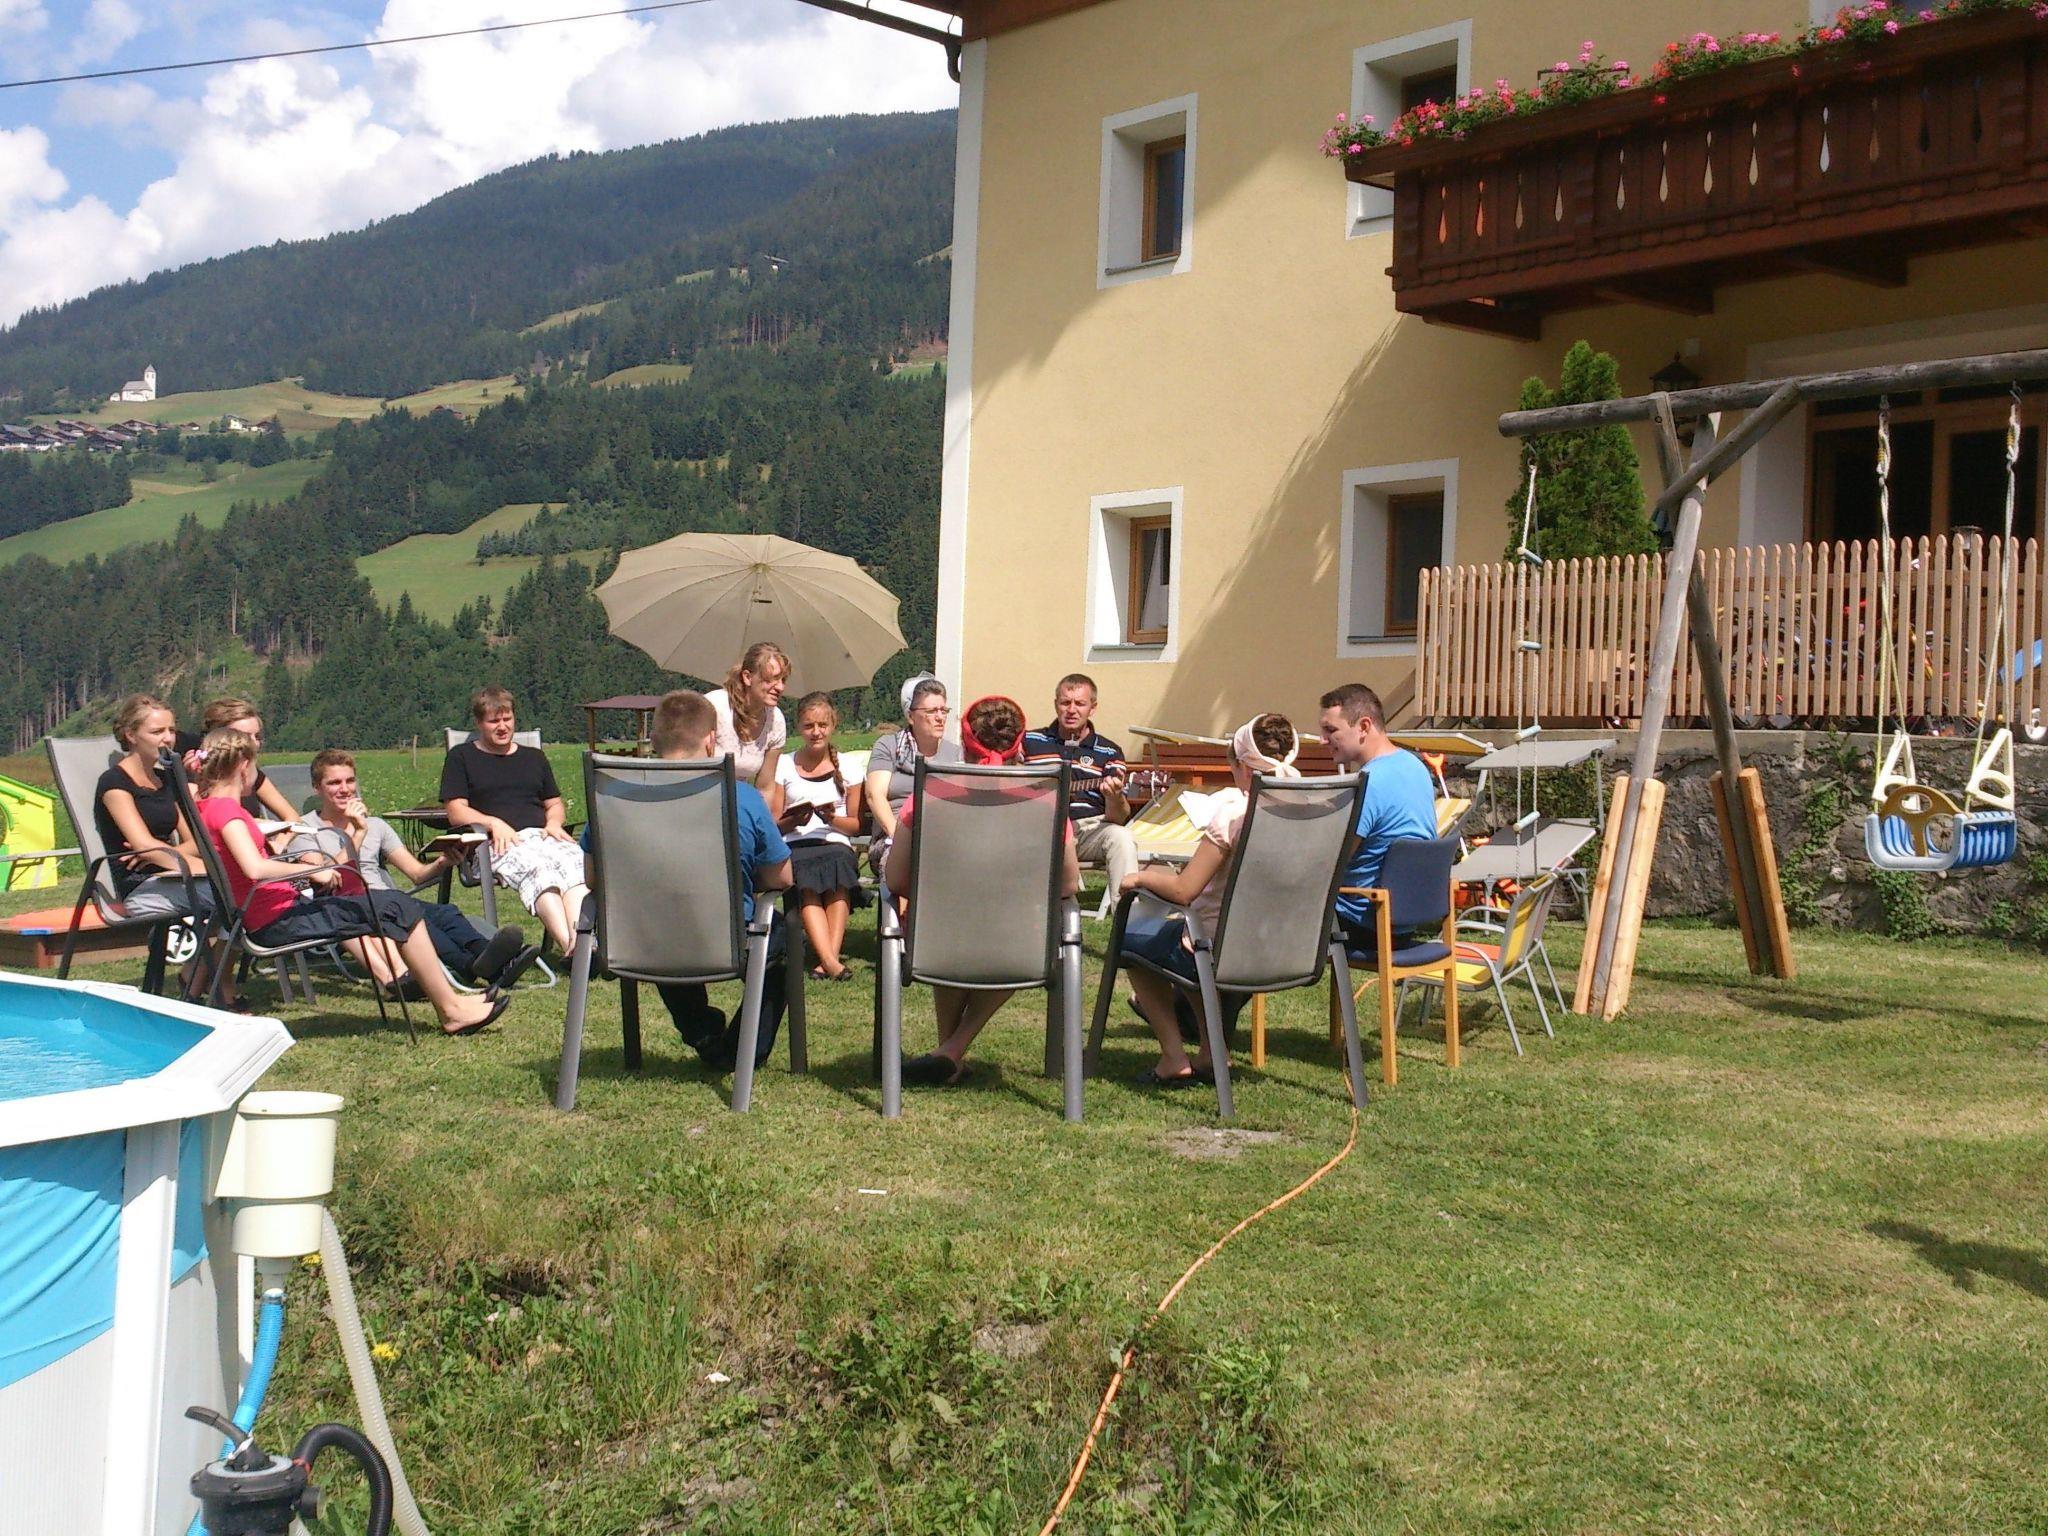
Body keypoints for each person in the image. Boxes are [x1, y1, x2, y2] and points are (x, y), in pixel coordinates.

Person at [194, 729, 509, 1037]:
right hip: (278, 919)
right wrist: (310, 872)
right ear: (243, 765)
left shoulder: (208, 807)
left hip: (274, 912)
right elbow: (254, 868)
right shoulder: (228, 811)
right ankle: (451, 1011)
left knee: (396, 906)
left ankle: (453, 999)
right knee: (399, 908)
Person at [890, 694, 1081, 1088]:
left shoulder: (930, 793)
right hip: (1021, 946)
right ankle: (951, 1050)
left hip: (936, 938)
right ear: (1019, 743)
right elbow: (1066, 884)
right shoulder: (1046, 799)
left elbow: (895, 878)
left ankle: (950, 1050)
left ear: (965, 740)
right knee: (1023, 931)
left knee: (948, 920)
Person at [1111, 712, 1301, 1088]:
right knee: (1187, 939)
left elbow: (1184, 890)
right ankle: (1213, 1053)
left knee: (1131, 944)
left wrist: (1141, 877)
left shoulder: (1233, 814)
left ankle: (1173, 1056)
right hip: (1284, 947)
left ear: (1242, 765)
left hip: (1220, 948)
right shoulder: (1307, 811)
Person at [288, 749, 540, 999]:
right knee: (417, 921)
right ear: (317, 788)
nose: (345, 789)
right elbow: (324, 877)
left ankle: (490, 957)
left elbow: (417, 873)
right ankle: (474, 965)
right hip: (351, 905)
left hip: (390, 900)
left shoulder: (376, 826)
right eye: (334, 783)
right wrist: (357, 833)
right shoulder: (306, 828)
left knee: (446, 913)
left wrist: (442, 862)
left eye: (350, 781)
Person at [641, 689, 793, 1073]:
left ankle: (703, 1033)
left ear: (654, 740)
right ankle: (743, 1050)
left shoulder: (616, 792)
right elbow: (782, 876)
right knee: (786, 937)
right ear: (711, 739)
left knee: (666, 918)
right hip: (725, 937)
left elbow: (594, 876)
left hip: (642, 940)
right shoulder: (742, 797)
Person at [93, 694, 226, 1000]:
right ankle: (204, 985)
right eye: (157, 731)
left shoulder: (166, 780)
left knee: (236, 893)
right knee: (231, 894)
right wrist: (197, 865)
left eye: (171, 730)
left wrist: (163, 853)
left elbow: (194, 840)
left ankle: (195, 977)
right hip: (139, 886)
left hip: (172, 875)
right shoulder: (114, 784)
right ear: (131, 735)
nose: (168, 739)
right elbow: (142, 844)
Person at [440, 686, 588, 957]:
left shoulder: (534, 757)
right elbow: (456, 810)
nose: (502, 726)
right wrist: (492, 823)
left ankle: (583, 944)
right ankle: (573, 949)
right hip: (493, 844)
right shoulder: (461, 757)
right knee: (540, 869)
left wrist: (554, 823)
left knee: (577, 864)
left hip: (542, 836)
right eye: (493, 721)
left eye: (507, 719)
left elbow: (554, 804)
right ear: (479, 723)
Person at [1318, 682, 1438, 950]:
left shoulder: (1368, 782)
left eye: (1331, 730)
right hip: (1406, 919)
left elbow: (1330, 862)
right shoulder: (1415, 767)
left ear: (1363, 726)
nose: (1322, 740)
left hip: (1360, 922)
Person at [772, 692, 866, 982]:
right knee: (807, 880)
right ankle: (830, 961)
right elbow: (774, 824)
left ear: (833, 725)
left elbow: (856, 825)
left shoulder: (848, 766)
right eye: (809, 726)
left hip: (835, 840)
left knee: (839, 868)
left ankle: (828, 961)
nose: (816, 732)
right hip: (797, 841)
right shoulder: (784, 764)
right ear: (799, 728)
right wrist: (794, 820)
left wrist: (831, 819)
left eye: (822, 725)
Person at [1023, 673, 1137, 899]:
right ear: (1056, 704)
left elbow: (1118, 817)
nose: (1071, 710)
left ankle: (1127, 915)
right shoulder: (1030, 741)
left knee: (1122, 837)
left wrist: (1114, 797)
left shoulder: (1109, 751)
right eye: (1065, 702)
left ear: (1092, 708)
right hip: (1040, 828)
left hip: (1089, 829)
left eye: (1080, 704)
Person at [864, 674, 960, 883]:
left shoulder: (956, 755)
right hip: (893, 836)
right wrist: (900, 838)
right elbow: (874, 795)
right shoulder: (889, 746)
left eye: (943, 710)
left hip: (942, 837)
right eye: (931, 711)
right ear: (910, 716)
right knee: (910, 866)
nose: (940, 717)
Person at [175, 696, 300, 826]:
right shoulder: (195, 776)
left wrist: (277, 838)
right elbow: (206, 822)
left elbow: (293, 818)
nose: (255, 743)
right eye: (245, 737)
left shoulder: (251, 773)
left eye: (257, 736)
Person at [706, 642, 791, 810]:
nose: (780, 687)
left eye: (783, 680)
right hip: (705, 800)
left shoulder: (776, 720)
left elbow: (765, 787)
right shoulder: (714, 707)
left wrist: (762, 819)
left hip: (741, 806)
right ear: (747, 677)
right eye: (771, 679)